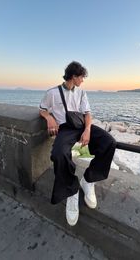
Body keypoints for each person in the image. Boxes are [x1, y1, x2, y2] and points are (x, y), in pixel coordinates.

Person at [39, 61, 116, 226]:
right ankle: (71, 190)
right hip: (66, 129)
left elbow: (87, 114)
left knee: (109, 142)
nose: (83, 80)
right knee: (58, 154)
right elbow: (42, 109)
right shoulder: (52, 93)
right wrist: (49, 117)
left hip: (82, 126)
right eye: (82, 77)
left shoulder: (81, 93)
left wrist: (88, 129)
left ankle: (88, 180)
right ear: (74, 77)